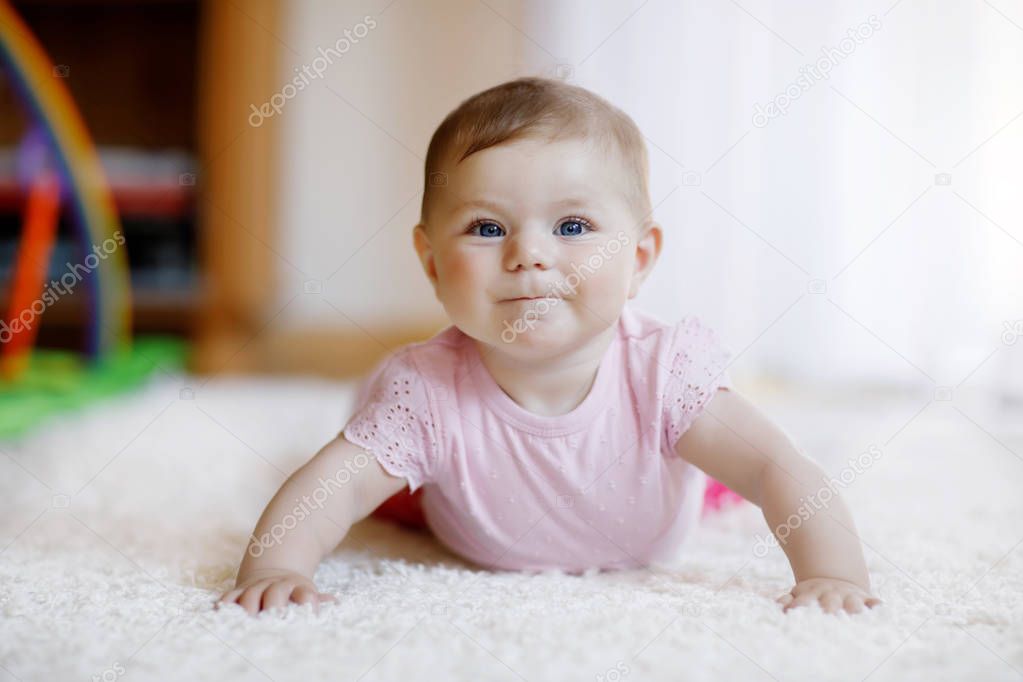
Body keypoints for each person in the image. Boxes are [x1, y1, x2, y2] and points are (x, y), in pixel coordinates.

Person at [216, 77, 880, 616]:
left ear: (639, 257)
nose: (529, 254)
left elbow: (774, 469)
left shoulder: (663, 372)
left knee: (725, 467)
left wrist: (831, 574)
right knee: (373, 467)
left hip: (648, 490)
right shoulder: (426, 394)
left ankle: (704, 478)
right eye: (484, 227)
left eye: (571, 225)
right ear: (431, 262)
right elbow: (329, 491)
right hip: (451, 500)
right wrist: (277, 566)